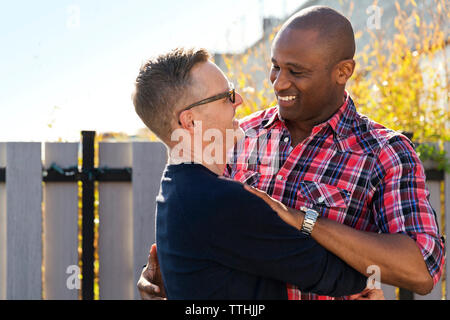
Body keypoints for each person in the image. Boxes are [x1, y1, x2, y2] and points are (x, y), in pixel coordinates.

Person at [137, 6, 444, 300]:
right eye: (275, 66)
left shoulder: (384, 153)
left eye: (296, 71)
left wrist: (304, 221)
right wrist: (176, 275)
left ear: (343, 71)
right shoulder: (237, 136)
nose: (279, 83)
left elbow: (421, 270)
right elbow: (201, 225)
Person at [132, 47, 372, 299]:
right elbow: (334, 276)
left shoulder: (175, 186)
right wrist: (368, 279)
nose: (239, 101)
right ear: (190, 121)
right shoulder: (221, 200)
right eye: (226, 96)